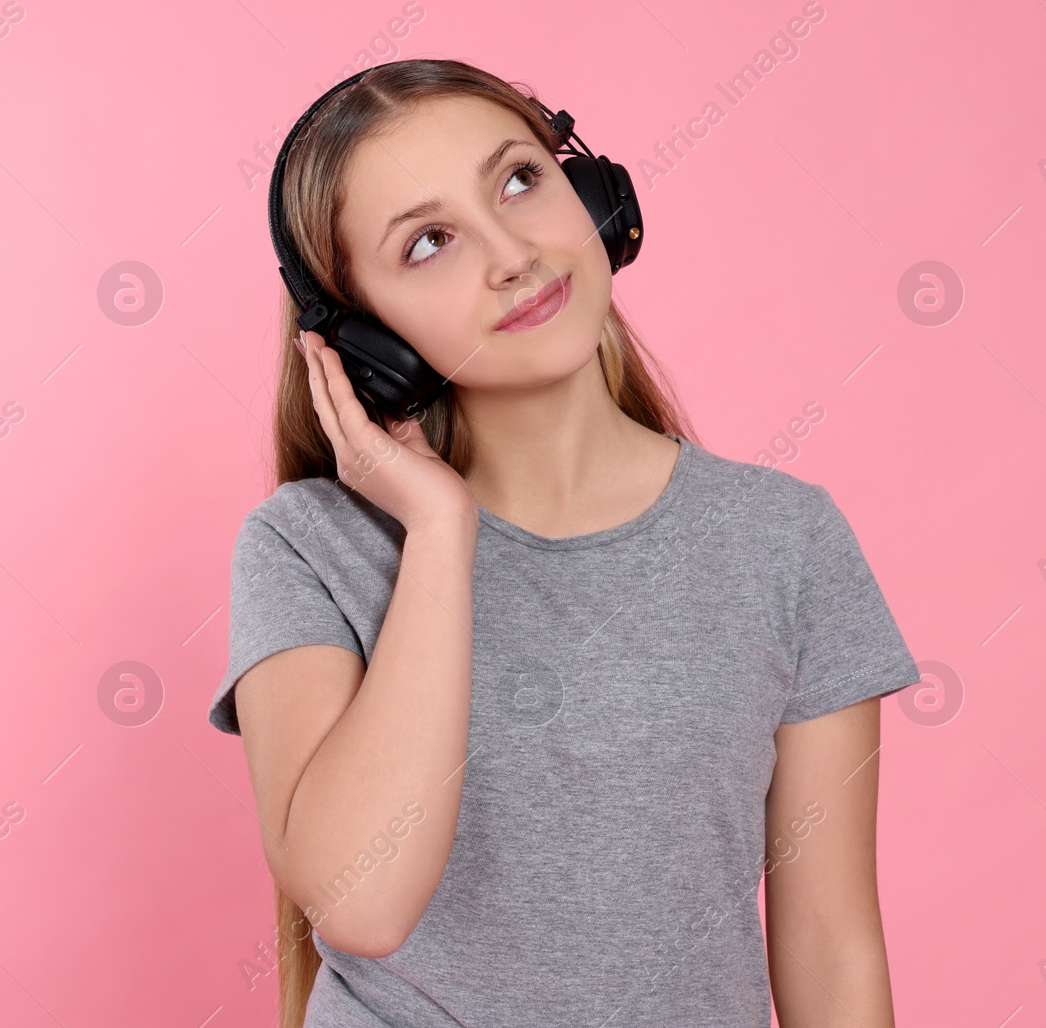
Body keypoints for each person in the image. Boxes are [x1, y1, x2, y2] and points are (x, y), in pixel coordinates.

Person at [206, 58, 922, 1028]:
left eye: (517, 180)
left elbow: (832, 946)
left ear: (591, 189)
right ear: (366, 339)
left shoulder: (782, 541)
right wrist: (438, 528)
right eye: (427, 242)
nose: (511, 254)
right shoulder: (306, 548)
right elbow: (362, 901)